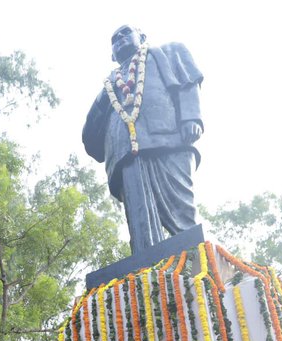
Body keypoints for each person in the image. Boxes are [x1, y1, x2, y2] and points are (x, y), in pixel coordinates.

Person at [82, 24, 204, 253]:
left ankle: (200, 264)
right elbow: (90, 138)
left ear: (143, 36)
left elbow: (188, 83)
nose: (120, 38)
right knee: (140, 224)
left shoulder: (168, 52)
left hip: (168, 140)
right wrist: (105, 96)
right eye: (114, 38)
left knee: (183, 210)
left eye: (126, 33)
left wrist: (191, 118)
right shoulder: (109, 86)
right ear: (112, 54)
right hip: (126, 154)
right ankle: (146, 267)